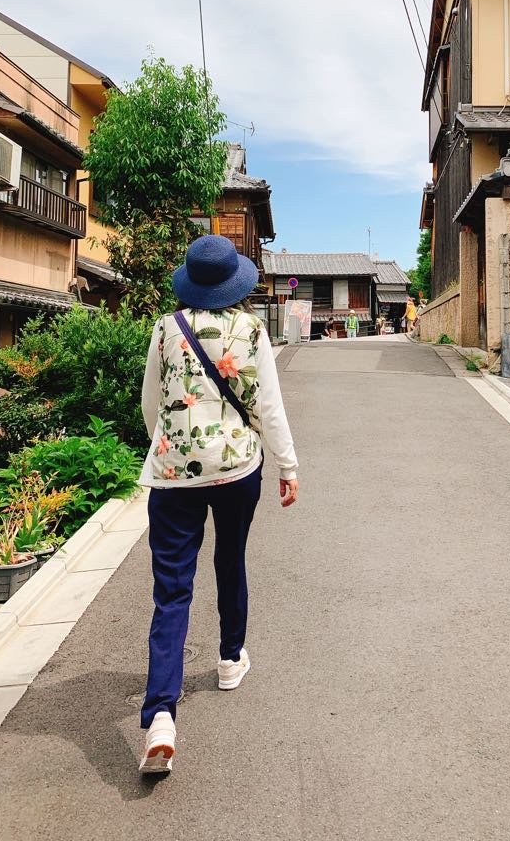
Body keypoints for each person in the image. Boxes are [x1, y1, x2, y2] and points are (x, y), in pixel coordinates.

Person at [138, 235, 298, 775]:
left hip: (172, 475)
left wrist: (172, 449)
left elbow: (150, 404)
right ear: (235, 284)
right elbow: (268, 406)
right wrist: (288, 465)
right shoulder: (251, 330)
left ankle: (161, 715)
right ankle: (230, 659)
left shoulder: (165, 329)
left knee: (172, 591)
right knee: (230, 561)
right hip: (236, 469)